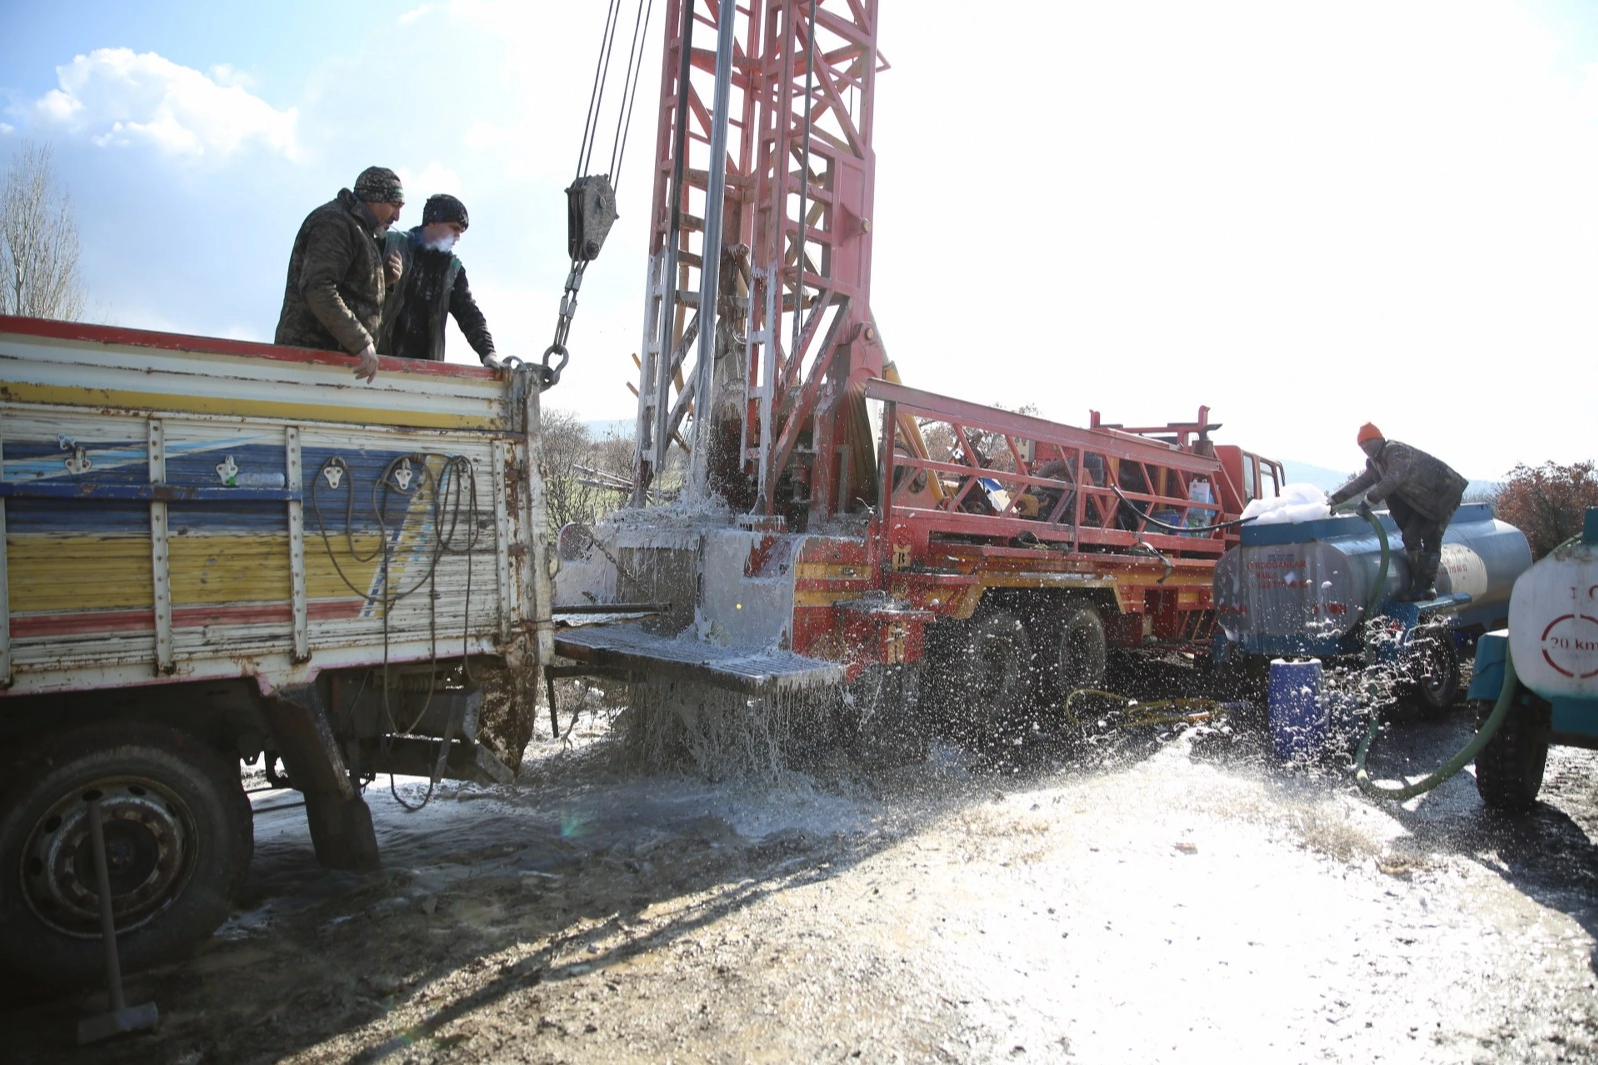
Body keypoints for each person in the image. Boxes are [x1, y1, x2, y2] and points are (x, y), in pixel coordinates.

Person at [274, 166, 406, 382]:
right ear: (374, 198)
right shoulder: (335, 223)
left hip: (333, 366)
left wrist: (383, 278)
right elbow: (318, 288)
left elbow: (349, 288)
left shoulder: (358, 228)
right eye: (395, 205)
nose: (398, 217)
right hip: (310, 363)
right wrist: (361, 341)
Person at [1327, 423, 1468, 600]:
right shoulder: (1376, 462)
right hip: (1424, 502)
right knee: (1409, 536)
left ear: (1377, 439)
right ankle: (1419, 584)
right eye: (1360, 444)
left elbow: (1394, 478)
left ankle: (1428, 587)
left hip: (1444, 494)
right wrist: (1334, 500)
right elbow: (1361, 482)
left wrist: (1369, 500)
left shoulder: (1396, 452)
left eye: (1367, 442)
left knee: (1431, 535)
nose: (1364, 447)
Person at [377, 194, 498, 367]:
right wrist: (384, 278)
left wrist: (488, 353)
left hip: (424, 372)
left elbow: (469, 314)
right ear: (432, 221)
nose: (458, 236)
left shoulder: (452, 270)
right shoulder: (387, 245)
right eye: (454, 228)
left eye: (461, 232)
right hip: (375, 363)